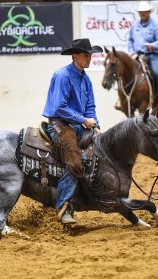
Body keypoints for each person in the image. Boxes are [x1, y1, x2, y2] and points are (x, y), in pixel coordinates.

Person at [43, 38, 102, 224]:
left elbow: (90, 106)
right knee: (75, 163)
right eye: (86, 54)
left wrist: (96, 125)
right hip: (59, 125)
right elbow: (59, 107)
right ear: (75, 56)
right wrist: (84, 120)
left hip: (76, 124)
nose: (90, 58)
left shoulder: (86, 79)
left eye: (90, 54)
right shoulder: (62, 75)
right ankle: (63, 207)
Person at [128, 1, 158, 109]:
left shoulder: (155, 25)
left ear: (149, 12)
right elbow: (130, 40)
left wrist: (153, 46)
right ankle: (125, 98)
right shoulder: (135, 25)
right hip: (137, 54)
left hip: (152, 54)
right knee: (127, 71)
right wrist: (131, 52)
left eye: (145, 12)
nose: (143, 14)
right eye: (141, 12)